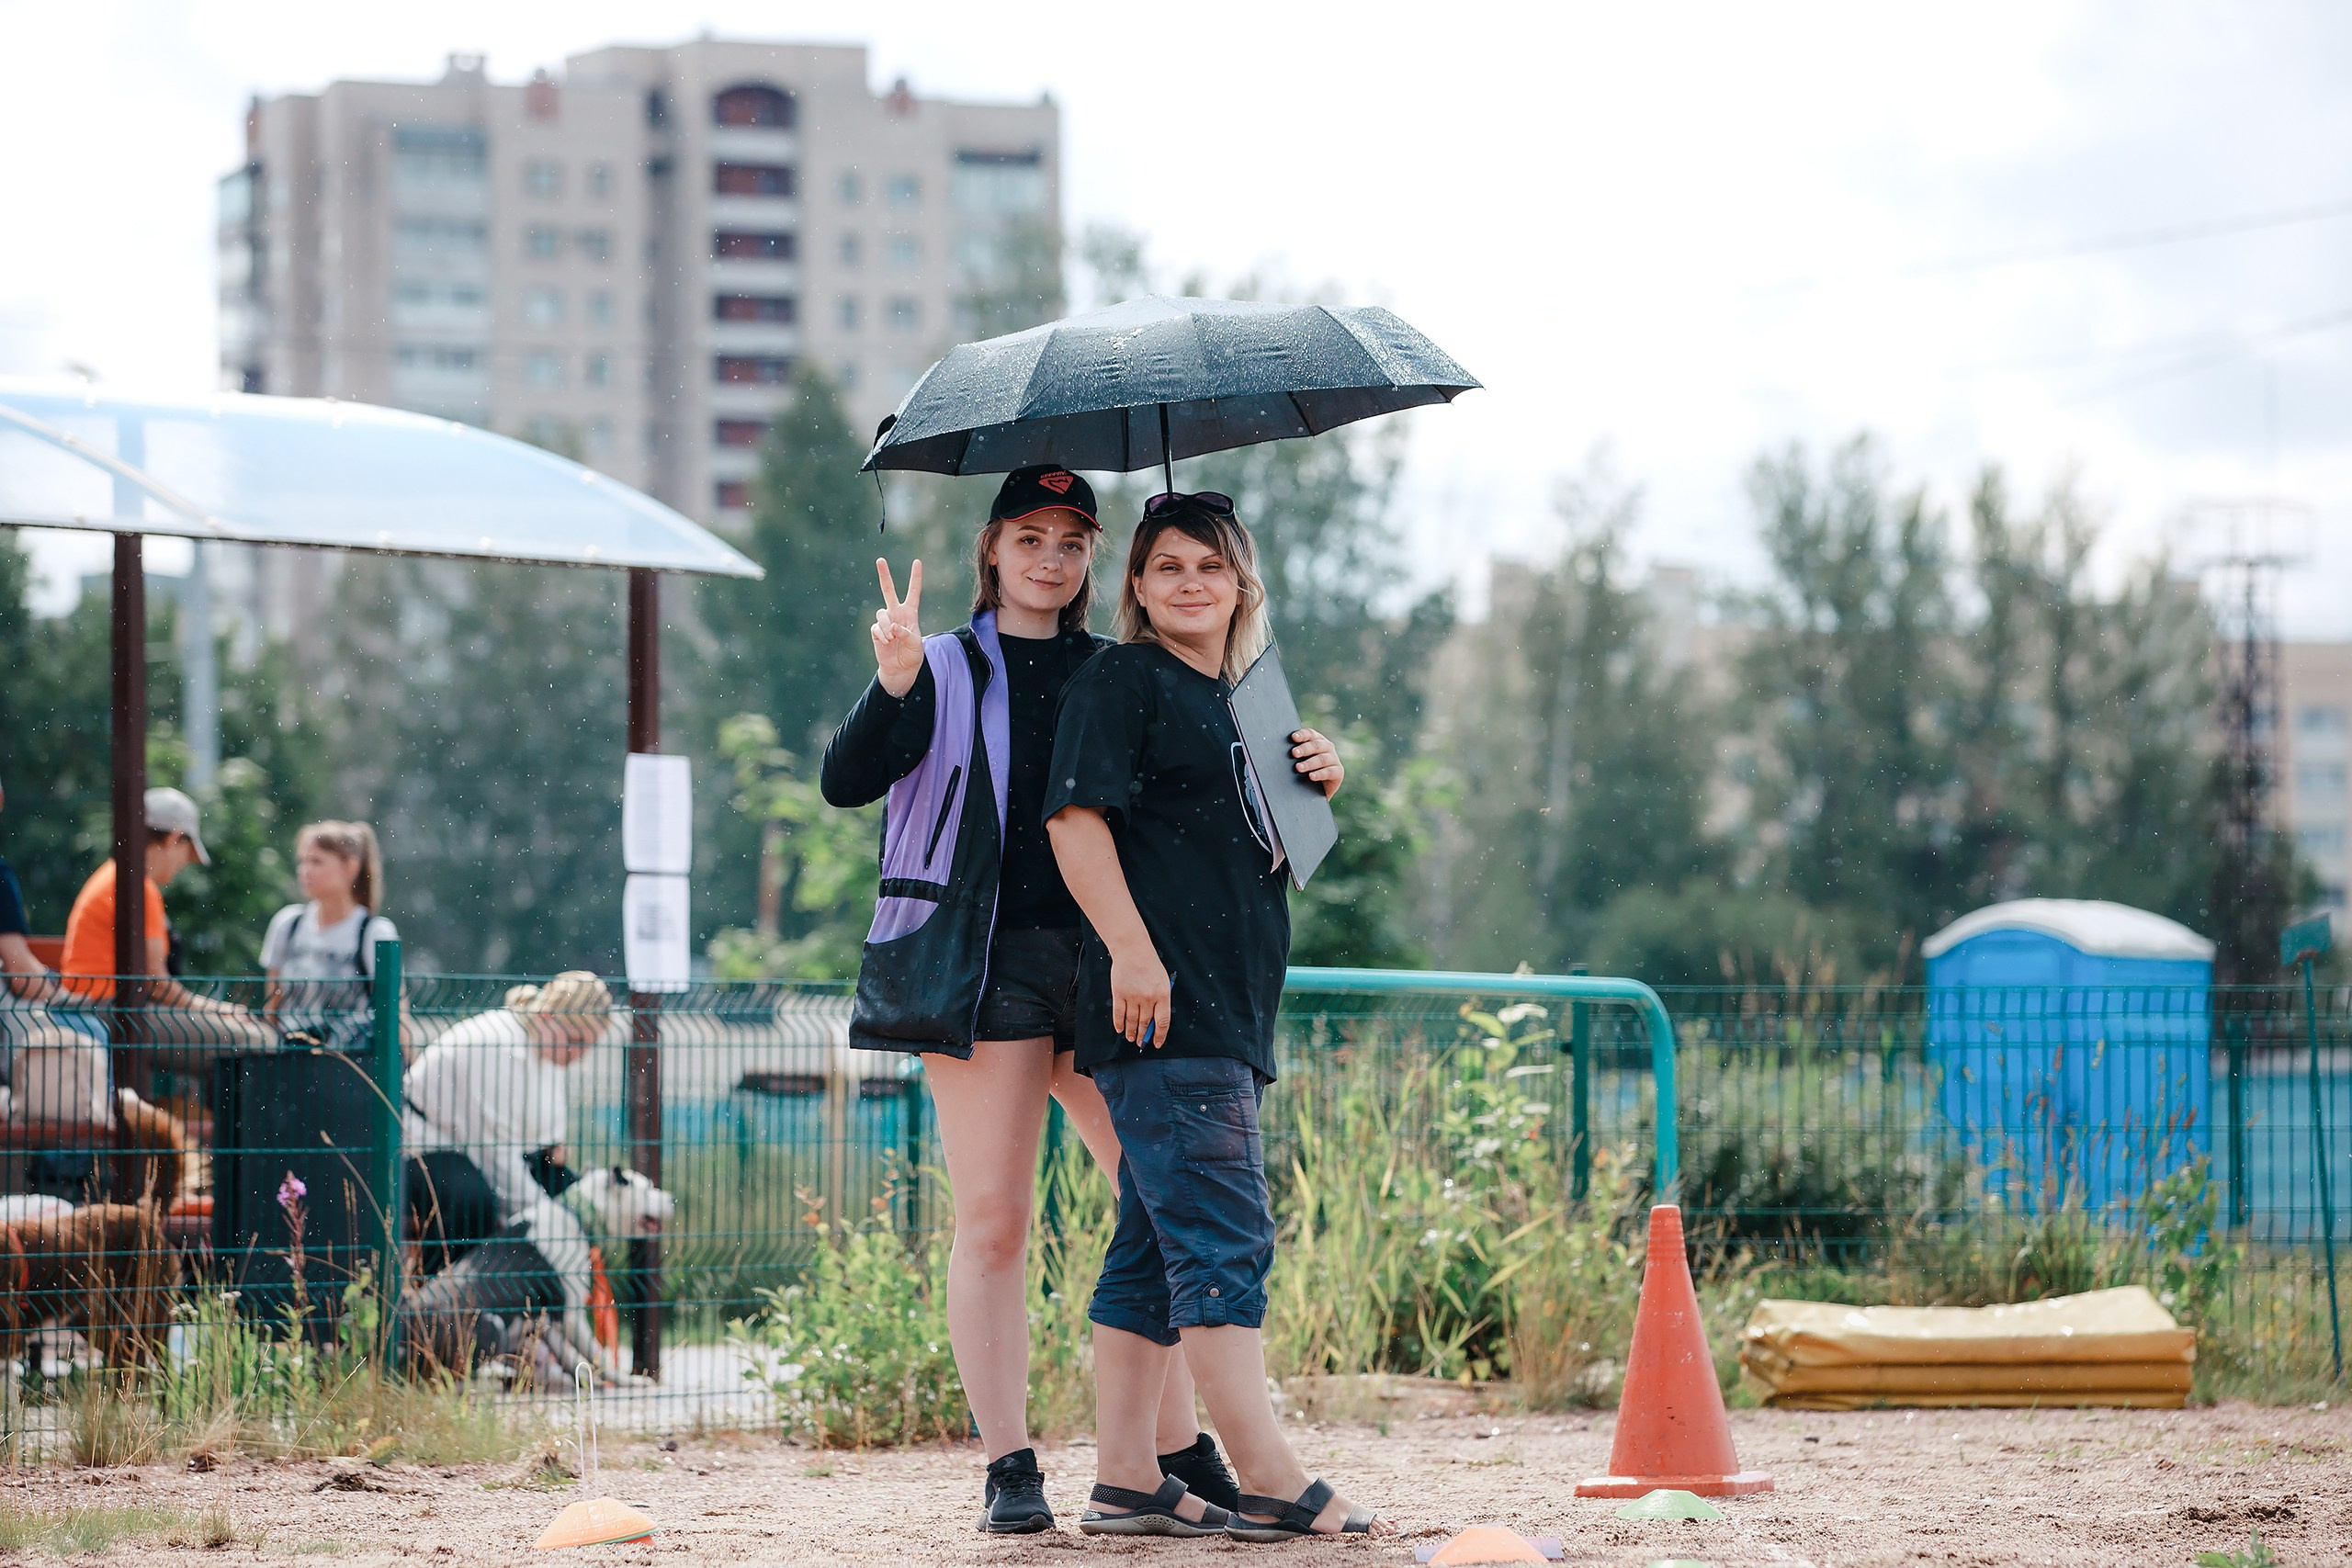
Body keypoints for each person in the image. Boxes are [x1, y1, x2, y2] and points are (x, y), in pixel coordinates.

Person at [819, 465, 1234, 1535]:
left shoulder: (1123, 671)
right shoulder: (942, 663)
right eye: (1030, 537)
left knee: (1157, 1204)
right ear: (992, 550)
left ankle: (1169, 1451)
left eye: (1071, 540)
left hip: (1108, 965)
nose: (1050, 558)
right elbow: (846, 778)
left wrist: (1311, 765)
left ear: (1094, 560)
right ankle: (1009, 1462)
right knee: (996, 1222)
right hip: (981, 964)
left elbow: (1201, 798)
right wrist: (895, 680)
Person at [1046, 491, 1385, 1539]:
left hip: (1228, 1010)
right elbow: (1073, 820)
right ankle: (1271, 1474)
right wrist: (1133, 953)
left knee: (1154, 1242)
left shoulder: (1248, 703)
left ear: (1242, 582)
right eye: (1164, 566)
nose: (1188, 580)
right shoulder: (1122, 678)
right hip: (1167, 1008)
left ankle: (1123, 1478)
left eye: (1209, 564)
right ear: (1138, 589)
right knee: (1223, 1237)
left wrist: (1318, 776)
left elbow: (1270, 847)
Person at [401, 971, 612, 1273]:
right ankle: (429, 1299)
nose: (577, 1055)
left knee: (579, 1203)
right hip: (424, 1148)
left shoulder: (546, 1046)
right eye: (574, 1041)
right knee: (475, 1204)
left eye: (586, 1047)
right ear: (546, 1016)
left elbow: (547, 1144)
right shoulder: (496, 1045)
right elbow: (496, 1160)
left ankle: (544, 1310)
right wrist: (552, 1223)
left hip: (484, 1151)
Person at [57, 786, 268, 1055]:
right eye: (188, 853)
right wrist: (219, 1009)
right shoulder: (138, 888)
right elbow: (157, 984)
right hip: (114, 1014)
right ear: (174, 838)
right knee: (255, 1040)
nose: (185, 864)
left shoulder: (113, 875)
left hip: (92, 1007)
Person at [262, 820, 399, 1050]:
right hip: (291, 1057)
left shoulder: (374, 932)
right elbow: (272, 1007)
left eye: (317, 861)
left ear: (351, 867)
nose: (305, 870)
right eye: (303, 861)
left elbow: (395, 1011)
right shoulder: (287, 924)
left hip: (349, 1062)